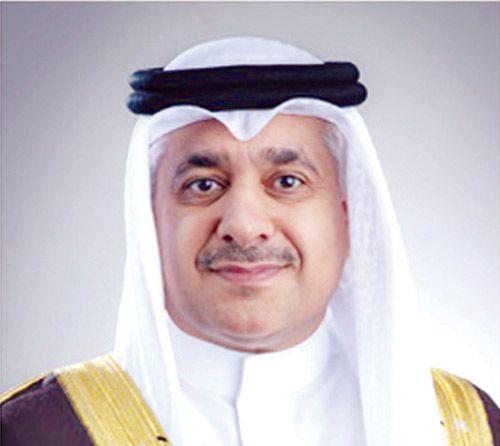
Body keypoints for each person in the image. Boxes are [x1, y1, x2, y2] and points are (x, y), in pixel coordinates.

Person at [1, 37, 498, 446]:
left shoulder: (467, 428)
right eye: (203, 185)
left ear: (348, 217)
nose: (243, 224)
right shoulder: (38, 431)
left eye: (287, 181)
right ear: (151, 221)